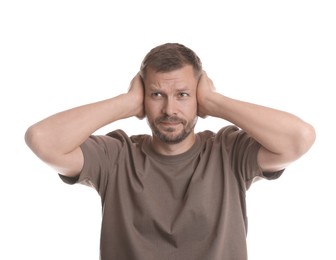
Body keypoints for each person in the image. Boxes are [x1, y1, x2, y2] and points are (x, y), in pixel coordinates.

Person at [25, 43, 316, 260]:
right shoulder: (116, 156)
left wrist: (215, 101)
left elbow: (299, 138)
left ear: (198, 98)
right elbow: (42, 140)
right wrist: (125, 103)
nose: (169, 110)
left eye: (183, 95)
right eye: (156, 95)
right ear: (143, 98)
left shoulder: (229, 151)